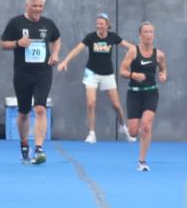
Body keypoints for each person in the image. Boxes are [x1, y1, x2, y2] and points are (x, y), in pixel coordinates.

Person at [0, 0, 60, 164]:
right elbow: (3, 43)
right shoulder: (16, 23)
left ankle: (39, 148)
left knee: (40, 108)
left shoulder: (48, 24)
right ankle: (24, 144)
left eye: (41, 6)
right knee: (23, 112)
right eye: (34, 6)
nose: (38, 9)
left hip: (43, 72)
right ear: (27, 6)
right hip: (22, 73)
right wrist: (18, 43)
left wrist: (55, 54)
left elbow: (57, 38)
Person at [57, 13, 135, 142]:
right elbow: (77, 49)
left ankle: (123, 127)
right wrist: (65, 61)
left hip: (107, 74)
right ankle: (92, 133)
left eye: (101, 24)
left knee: (116, 105)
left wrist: (142, 54)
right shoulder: (90, 37)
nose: (99, 26)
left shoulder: (113, 37)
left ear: (107, 25)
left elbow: (130, 47)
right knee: (91, 103)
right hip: (91, 73)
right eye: (97, 23)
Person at [119, 22, 166, 171]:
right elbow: (122, 71)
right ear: (140, 35)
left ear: (153, 35)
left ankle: (142, 161)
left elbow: (163, 70)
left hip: (151, 93)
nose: (148, 35)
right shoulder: (133, 51)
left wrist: (163, 75)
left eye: (151, 32)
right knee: (133, 132)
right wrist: (133, 75)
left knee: (146, 126)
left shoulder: (159, 54)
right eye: (145, 32)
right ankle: (130, 129)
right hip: (133, 93)